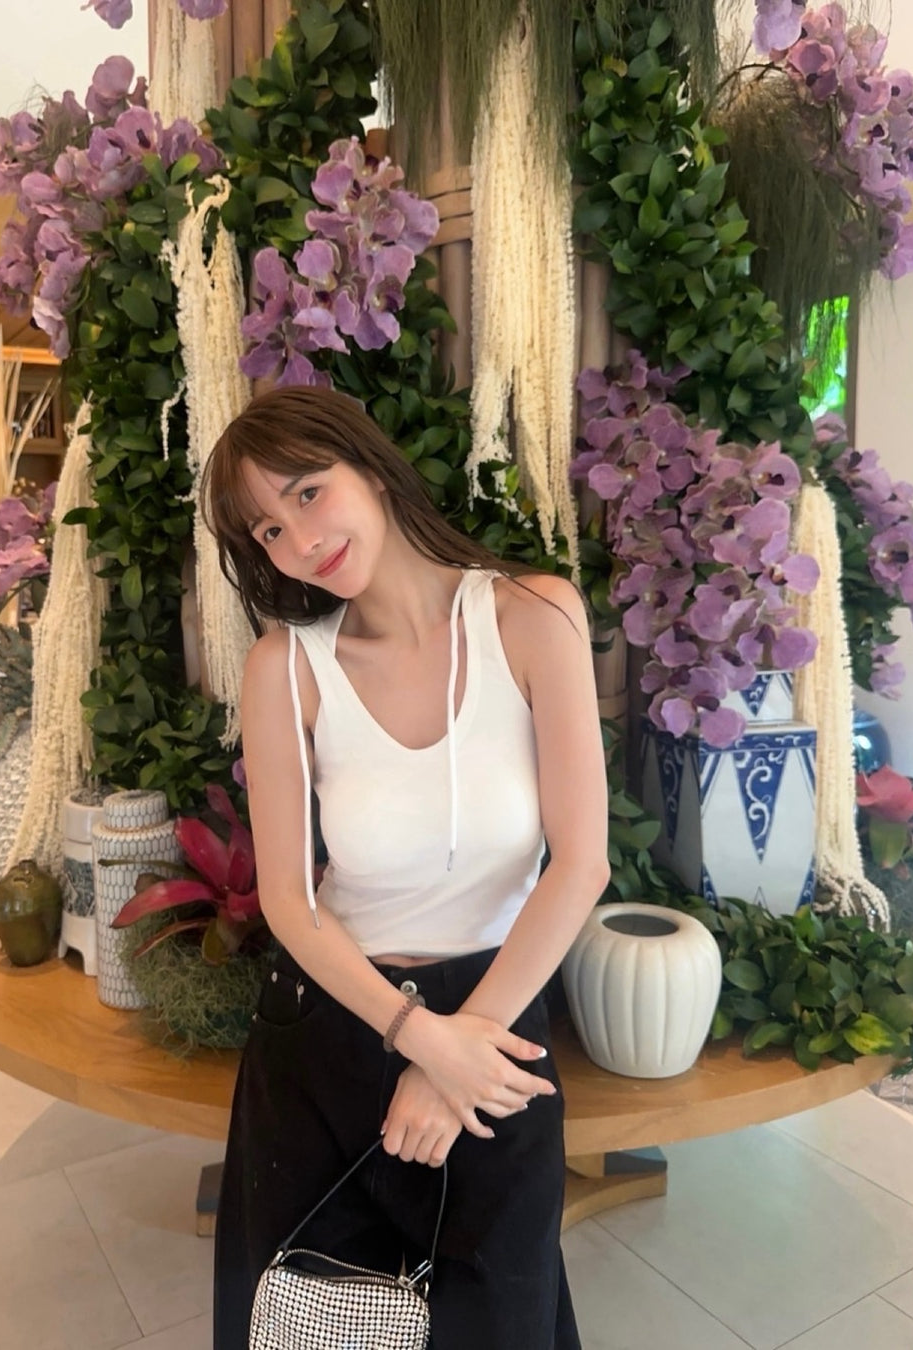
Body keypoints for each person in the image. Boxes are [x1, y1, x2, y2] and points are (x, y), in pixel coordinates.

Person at [203, 385, 609, 1349]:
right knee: (313, 1321)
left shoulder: (532, 616)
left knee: (496, 1317)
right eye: (268, 530)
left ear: (372, 467)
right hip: (333, 1025)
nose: (300, 540)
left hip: (497, 1022)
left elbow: (581, 865)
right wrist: (418, 1036)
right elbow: (291, 902)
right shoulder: (285, 667)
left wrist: (456, 1054)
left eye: (308, 492)